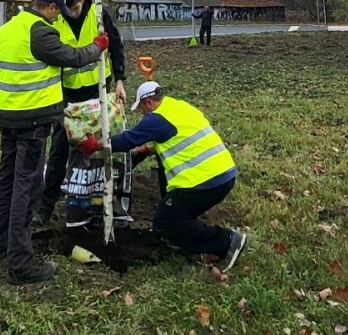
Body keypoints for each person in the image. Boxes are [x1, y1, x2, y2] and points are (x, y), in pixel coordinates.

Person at [0, 0, 108, 284]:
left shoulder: (9, 28)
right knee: (27, 189)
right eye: (58, 14)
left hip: (8, 114)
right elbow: (73, 57)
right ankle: (21, 264)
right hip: (32, 120)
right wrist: (98, 47)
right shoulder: (40, 32)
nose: (59, 20)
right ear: (51, 8)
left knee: (7, 180)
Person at [76, 80, 247, 272]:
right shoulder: (179, 106)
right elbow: (180, 136)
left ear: (148, 103)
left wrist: (96, 145)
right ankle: (196, 244)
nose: (143, 113)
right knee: (178, 215)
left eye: (142, 108)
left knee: (165, 223)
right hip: (224, 173)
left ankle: (227, 241)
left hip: (204, 181)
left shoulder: (156, 119)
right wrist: (148, 150)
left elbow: (127, 140)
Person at [34, 0, 128, 227]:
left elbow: (116, 45)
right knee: (60, 150)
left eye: (74, 9)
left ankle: (107, 198)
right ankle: (46, 205)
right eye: (67, 10)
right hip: (68, 96)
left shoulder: (98, 15)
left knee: (103, 145)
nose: (71, 15)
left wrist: (120, 80)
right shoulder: (57, 19)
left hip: (98, 92)